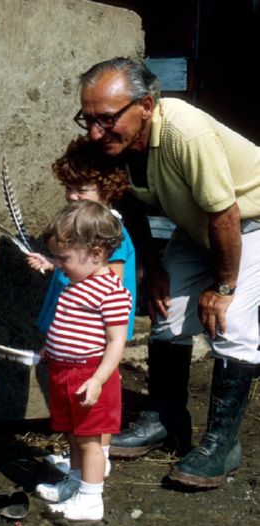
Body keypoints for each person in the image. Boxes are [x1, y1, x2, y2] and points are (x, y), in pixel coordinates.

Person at [76, 56, 260, 489]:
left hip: (249, 222)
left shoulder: (184, 131)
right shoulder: (113, 144)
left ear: (146, 104)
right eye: (88, 120)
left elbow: (226, 212)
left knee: (230, 320)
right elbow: (128, 206)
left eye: (106, 119)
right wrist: (153, 266)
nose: (95, 132)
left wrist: (224, 285)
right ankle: (167, 418)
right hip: (200, 227)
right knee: (166, 309)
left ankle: (222, 444)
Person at [27, 137, 137, 497]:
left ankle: (97, 459)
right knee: (76, 410)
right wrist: (51, 262)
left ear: (107, 189)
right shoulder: (78, 227)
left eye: (82, 188)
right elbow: (73, 265)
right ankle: (84, 463)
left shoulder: (107, 236)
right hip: (72, 329)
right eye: (68, 188)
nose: (73, 195)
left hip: (93, 334)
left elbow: (112, 287)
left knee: (94, 408)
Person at [34, 200, 132, 521]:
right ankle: (75, 484)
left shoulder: (111, 292)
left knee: (90, 440)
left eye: (63, 258)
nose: (58, 264)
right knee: (74, 435)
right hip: (65, 370)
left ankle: (91, 499)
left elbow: (117, 342)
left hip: (90, 375)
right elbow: (69, 324)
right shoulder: (77, 283)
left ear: (96, 253)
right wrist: (52, 347)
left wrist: (98, 380)